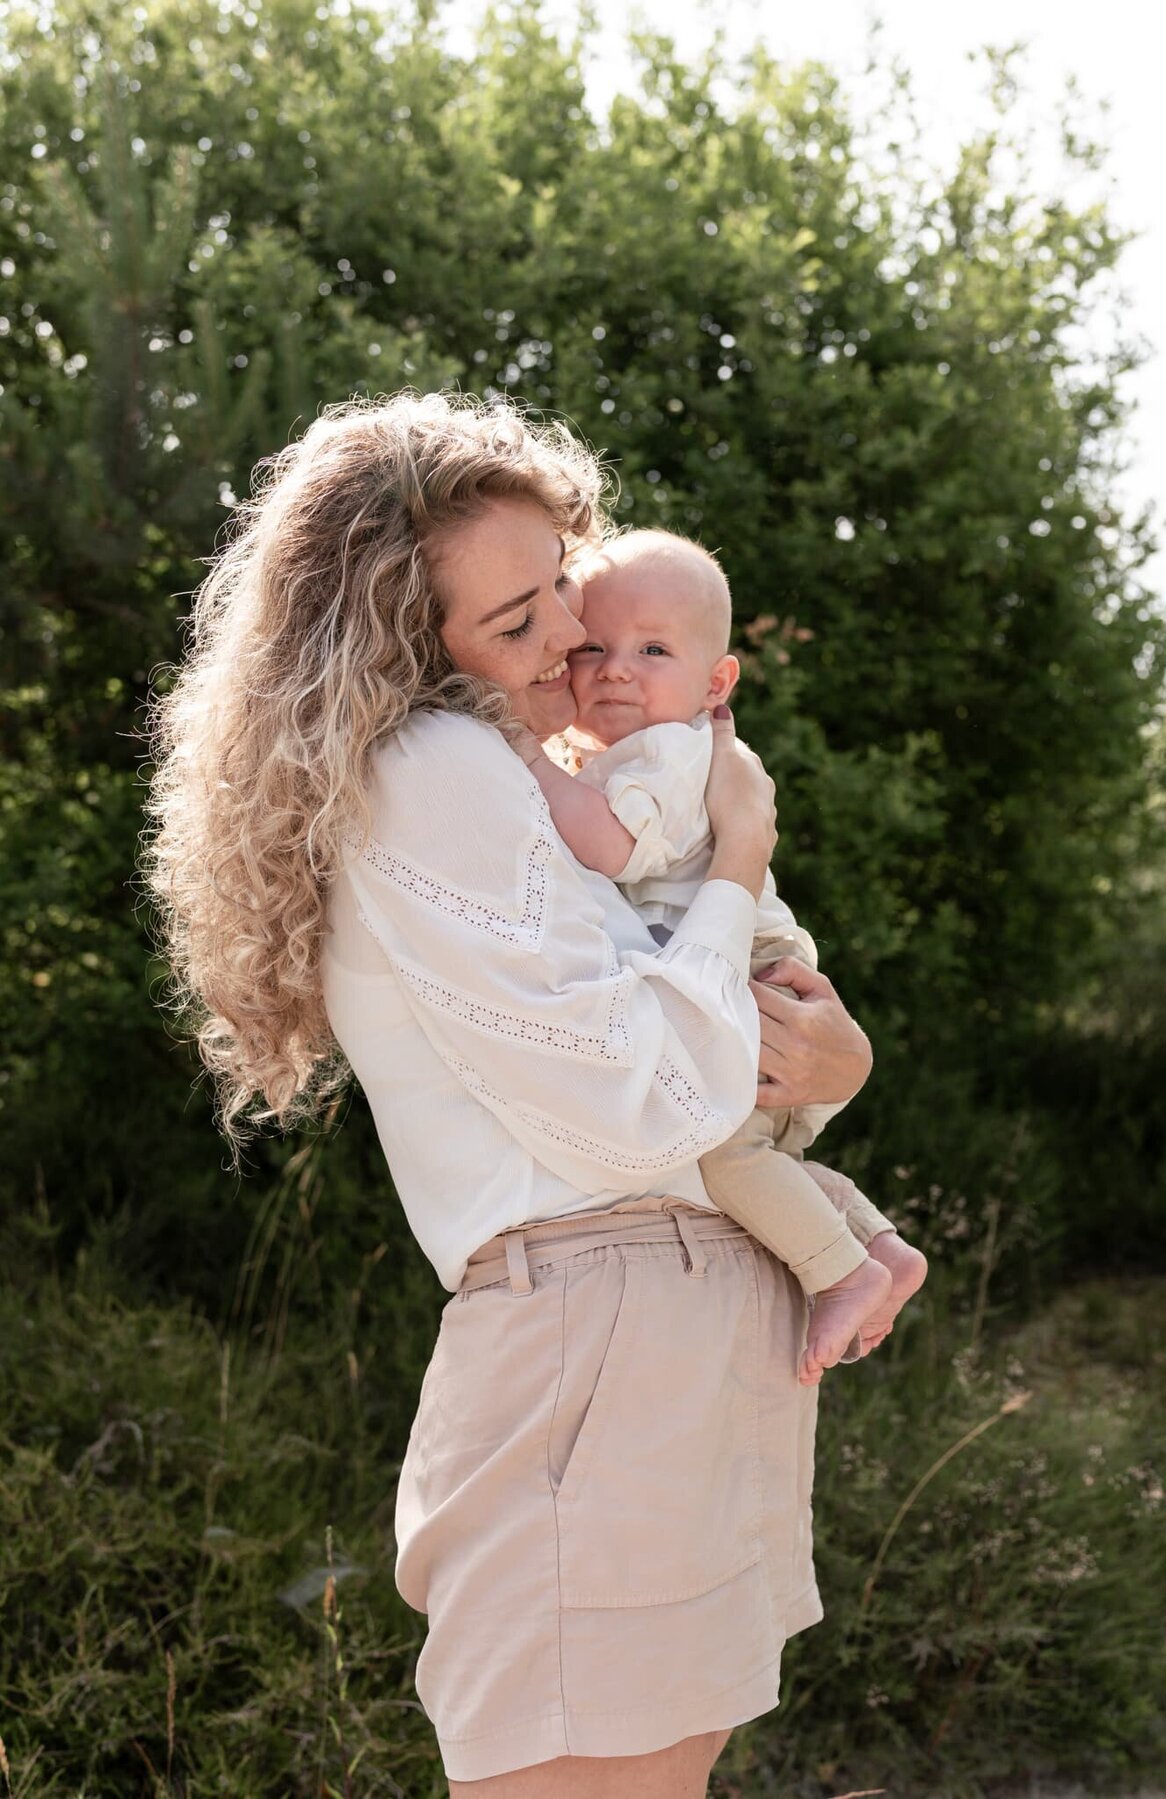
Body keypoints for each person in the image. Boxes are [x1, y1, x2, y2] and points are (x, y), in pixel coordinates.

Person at [145, 391, 878, 1797]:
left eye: (561, 590)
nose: (572, 646)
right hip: (631, 1326)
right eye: (517, 625)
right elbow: (664, 1092)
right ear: (399, 647)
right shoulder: (436, 770)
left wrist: (841, 1063)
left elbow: (706, 1071)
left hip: (638, 1316)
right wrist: (739, 855)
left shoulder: (530, 772)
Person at [511, 529, 927, 1383]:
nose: (617, 668)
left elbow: (612, 846)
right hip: (743, 964)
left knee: (724, 1156)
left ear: (716, 681)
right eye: (596, 647)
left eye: (653, 649)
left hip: (747, 971)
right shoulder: (648, 751)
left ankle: (843, 1272)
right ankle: (881, 1243)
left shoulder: (669, 751)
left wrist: (523, 758)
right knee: (764, 1158)